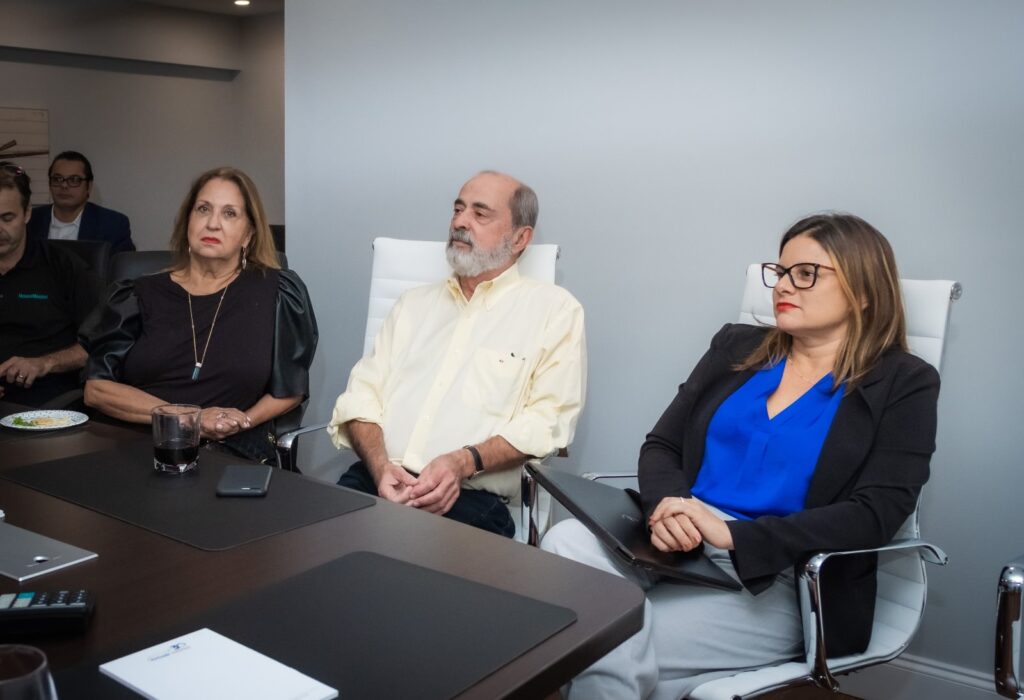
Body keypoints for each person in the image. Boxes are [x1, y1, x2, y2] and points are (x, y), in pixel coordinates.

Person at [541, 213, 940, 699]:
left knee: (602, 636)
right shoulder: (736, 346)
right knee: (565, 540)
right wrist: (669, 507)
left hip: (781, 578)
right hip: (676, 545)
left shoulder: (905, 382)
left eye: (806, 273)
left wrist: (732, 534)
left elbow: (877, 513)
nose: (783, 285)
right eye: (781, 271)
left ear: (863, 291)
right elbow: (663, 444)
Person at [328, 171, 586, 537]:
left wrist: (463, 462)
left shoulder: (555, 311)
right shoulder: (412, 305)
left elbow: (548, 421)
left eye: (480, 214)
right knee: (313, 554)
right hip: (376, 481)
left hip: (467, 499)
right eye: (458, 209)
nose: (460, 222)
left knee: (409, 570)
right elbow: (360, 399)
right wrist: (382, 467)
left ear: (520, 238)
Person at [80, 167, 318, 463]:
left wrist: (240, 423)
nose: (213, 224)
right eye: (203, 209)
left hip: (230, 450)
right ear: (187, 222)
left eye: (229, 213)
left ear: (248, 234)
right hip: (135, 447)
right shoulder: (136, 294)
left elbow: (290, 390)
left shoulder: (278, 292)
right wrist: (188, 419)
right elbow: (97, 390)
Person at [0, 161, 99, 406]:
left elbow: (97, 344)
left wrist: (44, 363)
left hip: (47, 400)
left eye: (7, 218)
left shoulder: (63, 266)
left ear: (27, 214)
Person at [27, 151, 135, 253]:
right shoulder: (29, 220)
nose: (64, 185)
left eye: (74, 180)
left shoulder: (113, 224)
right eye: (57, 179)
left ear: (89, 186)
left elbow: (124, 266)